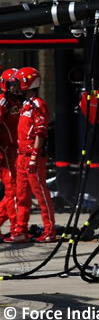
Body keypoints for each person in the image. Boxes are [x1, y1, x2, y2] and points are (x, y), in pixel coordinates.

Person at [7, 67, 56, 243]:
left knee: (40, 194)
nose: (16, 86)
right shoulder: (25, 105)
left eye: (18, 82)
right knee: (21, 196)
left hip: (32, 156)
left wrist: (35, 157)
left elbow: (41, 133)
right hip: (21, 156)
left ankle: (50, 231)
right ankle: (20, 231)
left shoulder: (38, 104)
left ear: (28, 82)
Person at [0, 68, 20, 239]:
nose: (15, 87)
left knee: (15, 191)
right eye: (12, 84)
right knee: (12, 190)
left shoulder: (18, 102)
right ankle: (16, 229)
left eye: (17, 84)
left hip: (16, 150)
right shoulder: (3, 103)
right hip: (6, 151)